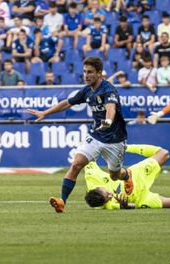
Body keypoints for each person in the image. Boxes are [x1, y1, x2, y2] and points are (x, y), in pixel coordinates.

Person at [27, 57, 128, 213]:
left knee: (115, 175)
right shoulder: (87, 90)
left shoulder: (108, 89)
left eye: (90, 72)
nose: (86, 75)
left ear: (99, 73)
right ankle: (62, 201)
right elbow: (67, 103)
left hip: (115, 140)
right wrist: (45, 113)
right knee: (76, 164)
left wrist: (108, 121)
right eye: (84, 72)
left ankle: (127, 176)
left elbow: (111, 108)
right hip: (96, 135)